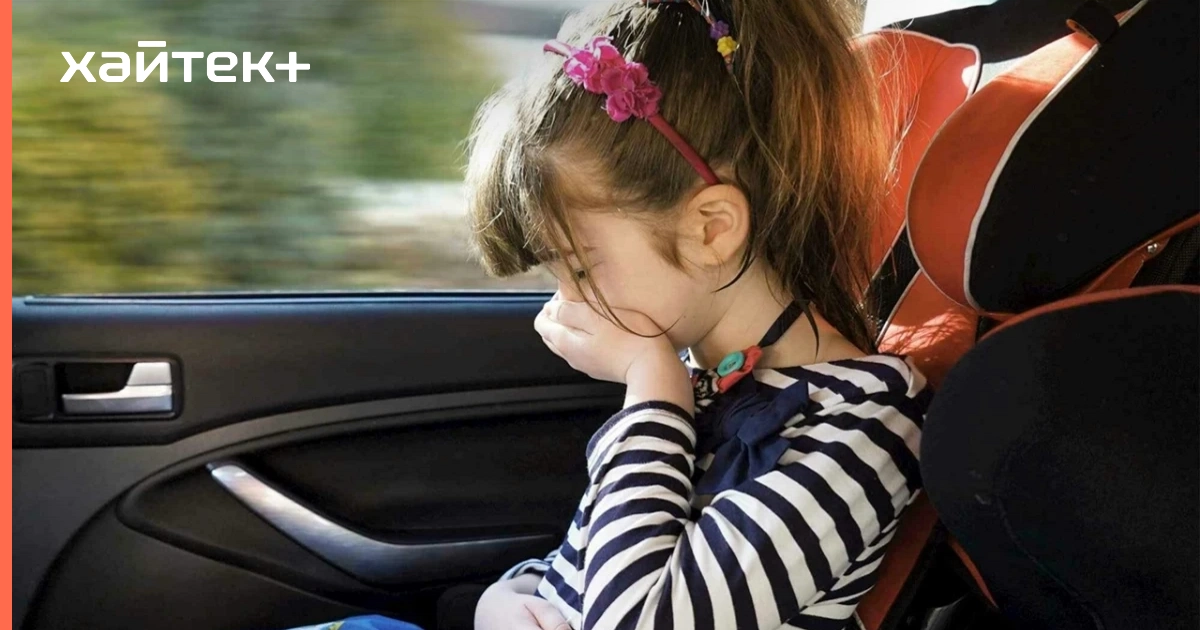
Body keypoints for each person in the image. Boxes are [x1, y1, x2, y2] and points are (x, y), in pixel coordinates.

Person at [286, 0, 928, 627]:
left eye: (582, 269)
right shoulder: (708, 382)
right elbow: (586, 561)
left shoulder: (863, 425)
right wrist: (503, 599)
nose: (562, 304)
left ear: (711, 229)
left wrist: (653, 389)